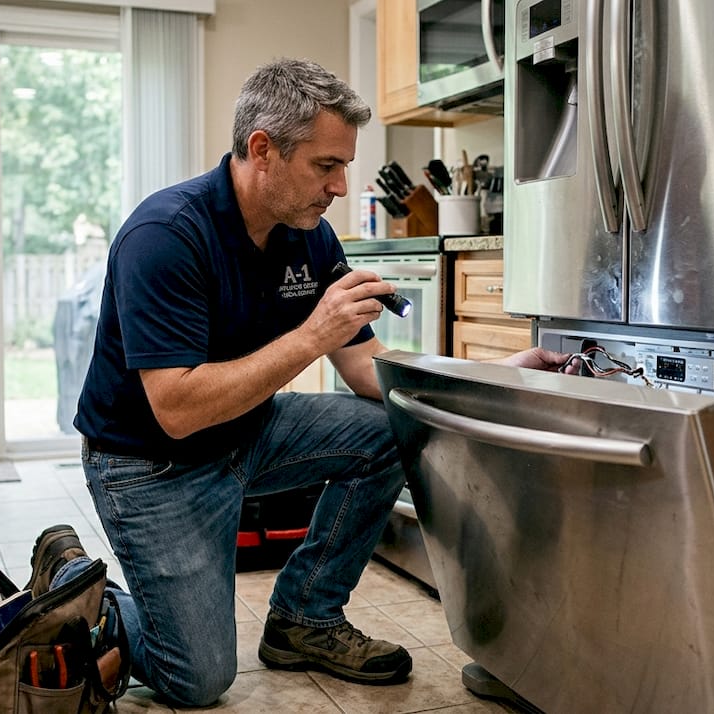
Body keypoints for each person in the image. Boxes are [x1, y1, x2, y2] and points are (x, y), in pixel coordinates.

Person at [67, 57, 580, 707]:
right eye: (326, 165)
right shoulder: (166, 236)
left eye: (344, 165)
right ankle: (92, 601)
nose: (341, 185)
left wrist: (490, 376)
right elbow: (176, 409)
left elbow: (369, 370)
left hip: (245, 431)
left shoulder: (309, 238)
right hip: (149, 463)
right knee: (196, 680)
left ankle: (304, 618)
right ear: (263, 150)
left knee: (390, 430)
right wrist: (313, 334)